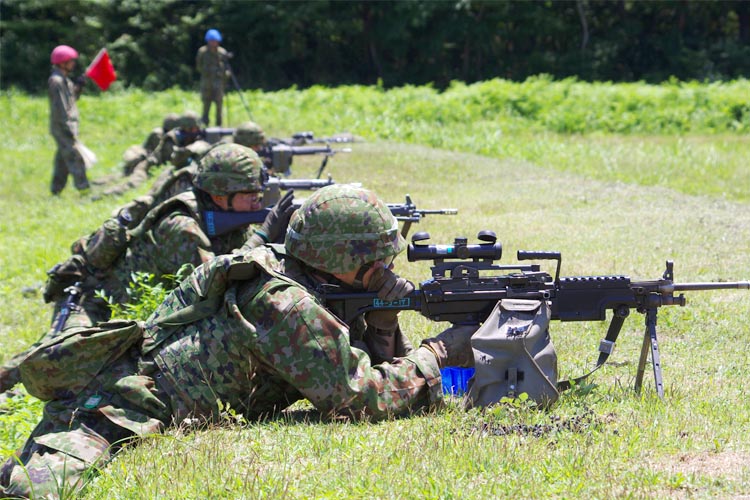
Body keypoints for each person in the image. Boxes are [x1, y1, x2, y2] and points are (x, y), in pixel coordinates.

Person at [0, 184, 475, 498]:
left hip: (131, 380)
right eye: (377, 260)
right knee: (32, 488)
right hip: (126, 403)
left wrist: (384, 323)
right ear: (339, 256)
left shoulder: (283, 265)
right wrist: (436, 354)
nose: (387, 269)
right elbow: (357, 397)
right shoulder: (287, 305)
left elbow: (353, 365)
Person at [0, 143, 295, 395]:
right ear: (220, 195)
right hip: (97, 303)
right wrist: (263, 236)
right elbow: (213, 284)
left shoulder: (227, 218)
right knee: (57, 357)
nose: (258, 199)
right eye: (250, 193)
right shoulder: (181, 227)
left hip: (139, 318)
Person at [48, 44, 91, 195]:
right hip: (63, 127)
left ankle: (55, 191)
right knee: (75, 157)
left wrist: (79, 85)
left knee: (63, 161)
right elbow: (61, 108)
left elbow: (71, 99)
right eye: (70, 61)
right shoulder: (57, 81)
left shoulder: (64, 80)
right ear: (62, 62)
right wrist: (68, 129)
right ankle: (84, 189)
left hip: (67, 126)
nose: (73, 63)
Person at [196, 28, 230, 126]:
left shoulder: (222, 52)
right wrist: (209, 71)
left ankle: (219, 126)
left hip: (219, 83)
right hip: (207, 83)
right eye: (211, 41)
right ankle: (205, 124)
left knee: (219, 106)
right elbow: (199, 67)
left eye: (215, 41)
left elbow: (226, 67)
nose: (213, 43)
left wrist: (225, 75)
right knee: (206, 104)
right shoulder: (202, 52)